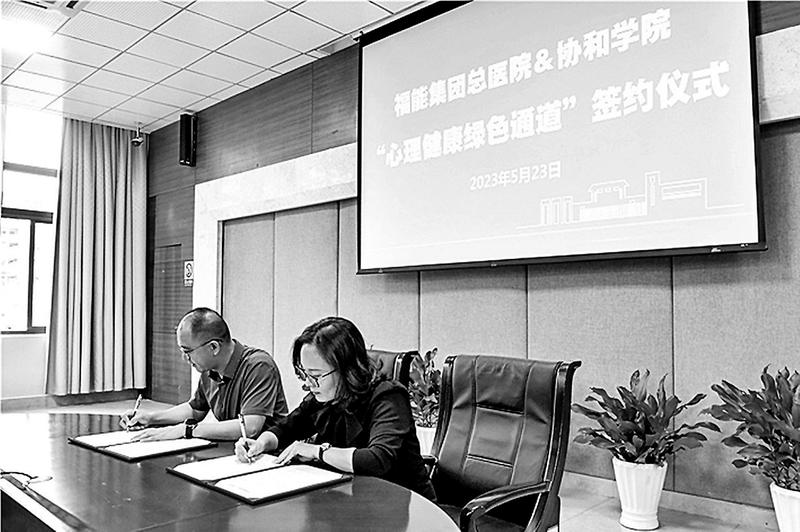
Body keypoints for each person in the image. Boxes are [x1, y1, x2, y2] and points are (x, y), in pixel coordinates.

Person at [234, 316, 436, 501]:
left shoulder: (388, 396)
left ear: (347, 369)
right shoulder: (324, 396)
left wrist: (317, 451)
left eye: (315, 375)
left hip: (403, 506)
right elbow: (286, 428)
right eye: (305, 374)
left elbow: (377, 459)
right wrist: (260, 444)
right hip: (349, 499)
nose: (309, 384)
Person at [120, 307, 288, 441]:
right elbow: (195, 410)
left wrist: (188, 430)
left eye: (188, 351)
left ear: (213, 347)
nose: (185, 358)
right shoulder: (209, 369)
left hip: (268, 457)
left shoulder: (258, 366)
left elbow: (250, 428)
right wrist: (151, 418)